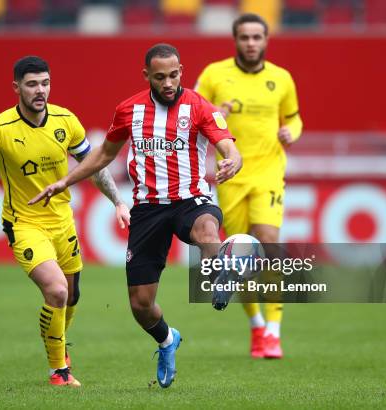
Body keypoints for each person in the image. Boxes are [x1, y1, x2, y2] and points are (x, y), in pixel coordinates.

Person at [29, 44, 242, 388]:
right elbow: (104, 155)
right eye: (160, 77)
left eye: (174, 75)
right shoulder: (129, 110)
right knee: (141, 306)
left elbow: (227, 143)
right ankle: (167, 340)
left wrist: (232, 159)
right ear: (147, 76)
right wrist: (66, 180)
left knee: (206, 230)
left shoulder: (199, 106)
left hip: (191, 199)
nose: (169, 83)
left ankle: (222, 274)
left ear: (181, 71)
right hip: (147, 210)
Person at [0, 56, 129, 387]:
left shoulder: (66, 121)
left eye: (45, 83)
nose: (40, 91)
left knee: (71, 296)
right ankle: (59, 370)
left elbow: (94, 166)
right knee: (56, 291)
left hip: (62, 222)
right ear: (16, 88)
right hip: (24, 224)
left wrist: (117, 201)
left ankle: (58, 346)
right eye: (32, 84)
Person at [195, 13, 303, 359]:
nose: (251, 43)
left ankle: (274, 331)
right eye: (245, 37)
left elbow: (295, 117)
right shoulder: (214, 75)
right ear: (235, 39)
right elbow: (190, 115)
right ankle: (257, 324)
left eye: (257, 37)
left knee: (269, 242)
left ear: (266, 40)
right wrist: (214, 112)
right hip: (231, 174)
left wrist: (292, 132)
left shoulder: (281, 78)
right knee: (239, 258)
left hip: (269, 171)